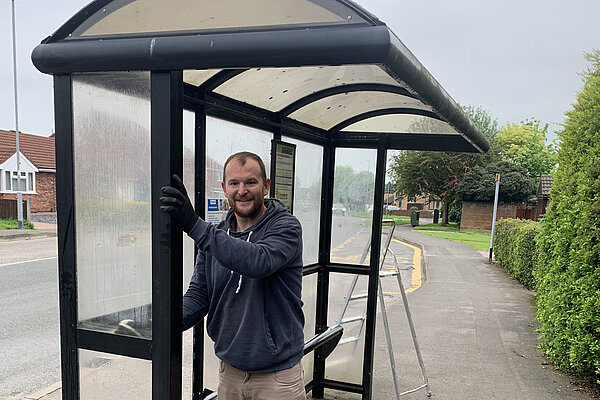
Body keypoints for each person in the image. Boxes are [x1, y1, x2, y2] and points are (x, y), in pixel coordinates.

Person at [160, 151, 305, 400]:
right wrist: (161, 321)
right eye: (234, 183)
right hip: (230, 373)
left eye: (250, 182)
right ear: (224, 188)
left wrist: (195, 226)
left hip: (278, 378)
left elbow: (258, 261)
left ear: (266, 185)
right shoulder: (217, 237)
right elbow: (199, 295)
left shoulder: (286, 227)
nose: (242, 190)